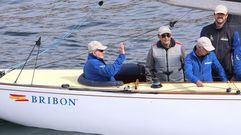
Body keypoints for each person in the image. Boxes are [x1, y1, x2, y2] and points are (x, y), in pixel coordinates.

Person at [200, 4, 234, 80]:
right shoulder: (205, 30)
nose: (220, 16)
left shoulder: (232, 32)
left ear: (226, 16)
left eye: (222, 14)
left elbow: (237, 54)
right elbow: (199, 52)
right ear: (214, 15)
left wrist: (235, 75)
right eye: (218, 14)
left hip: (227, 74)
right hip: (209, 74)